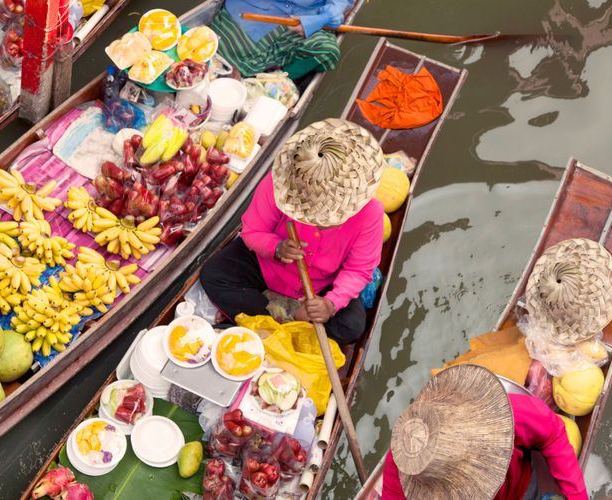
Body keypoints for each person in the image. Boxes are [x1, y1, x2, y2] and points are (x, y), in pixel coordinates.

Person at [200, 118, 384, 344]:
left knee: (351, 327)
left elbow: (359, 269)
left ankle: (272, 318)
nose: (324, 224)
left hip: (321, 286)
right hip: (269, 269)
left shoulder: (371, 213)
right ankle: (289, 317)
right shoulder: (281, 184)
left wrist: (330, 304)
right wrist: (275, 248)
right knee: (213, 275)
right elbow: (252, 232)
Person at [381, 364, 588, 500]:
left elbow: (552, 433)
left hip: (519, 486)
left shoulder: (500, 415)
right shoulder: (408, 461)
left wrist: (577, 496)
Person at [210, 0, 352, 80]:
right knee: (219, 48)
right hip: (254, 8)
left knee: (327, 50)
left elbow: (339, 5)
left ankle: (274, 83)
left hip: (303, 17)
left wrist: (324, 17)